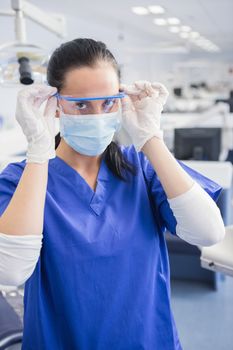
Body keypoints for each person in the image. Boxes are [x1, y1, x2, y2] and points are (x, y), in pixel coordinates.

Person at [0, 38, 225, 350]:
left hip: (147, 340)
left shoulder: (143, 168)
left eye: (108, 102)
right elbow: (10, 270)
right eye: (80, 105)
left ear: (122, 98)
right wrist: (39, 150)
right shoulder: (23, 179)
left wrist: (150, 137)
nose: (97, 115)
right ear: (54, 104)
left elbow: (208, 232)